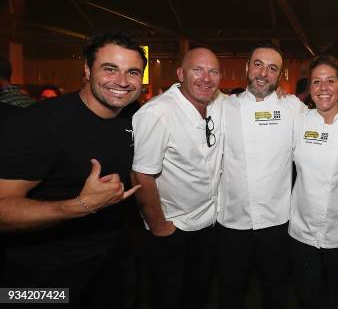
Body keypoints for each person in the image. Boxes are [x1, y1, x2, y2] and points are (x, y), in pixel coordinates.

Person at [0, 31, 145, 308]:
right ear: (88, 71)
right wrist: (80, 205)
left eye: (133, 72)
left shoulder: (137, 118)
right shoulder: (37, 124)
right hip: (42, 273)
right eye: (110, 69)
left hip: (113, 261)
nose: (122, 81)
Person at [131, 48, 224, 309]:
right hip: (173, 229)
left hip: (208, 226)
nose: (206, 78)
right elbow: (141, 174)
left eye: (213, 71)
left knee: (198, 295)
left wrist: (279, 94)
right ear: (181, 74)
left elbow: (250, 100)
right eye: (198, 70)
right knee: (168, 297)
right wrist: (160, 227)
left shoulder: (218, 102)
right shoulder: (157, 113)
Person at [216, 43, 306, 309]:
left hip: (276, 221)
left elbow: (327, 118)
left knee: (275, 290)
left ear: (280, 76)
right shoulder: (222, 106)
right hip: (232, 221)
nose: (263, 73)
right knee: (230, 291)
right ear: (247, 67)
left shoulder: (294, 109)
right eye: (258, 64)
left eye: (272, 68)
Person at [289, 56, 338, 308]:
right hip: (302, 232)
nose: (323, 88)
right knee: (307, 298)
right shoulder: (297, 121)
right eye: (316, 81)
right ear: (309, 87)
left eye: (330, 81)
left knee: (337, 298)